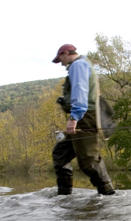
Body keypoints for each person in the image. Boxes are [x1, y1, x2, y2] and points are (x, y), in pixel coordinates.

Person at [51, 44, 115, 196]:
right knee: (61, 153)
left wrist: (74, 118)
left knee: (88, 161)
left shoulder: (78, 65)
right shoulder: (83, 63)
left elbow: (80, 91)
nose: (60, 62)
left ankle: (109, 195)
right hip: (84, 115)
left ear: (66, 53)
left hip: (84, 116)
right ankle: (64, 196)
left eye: (60, 58)